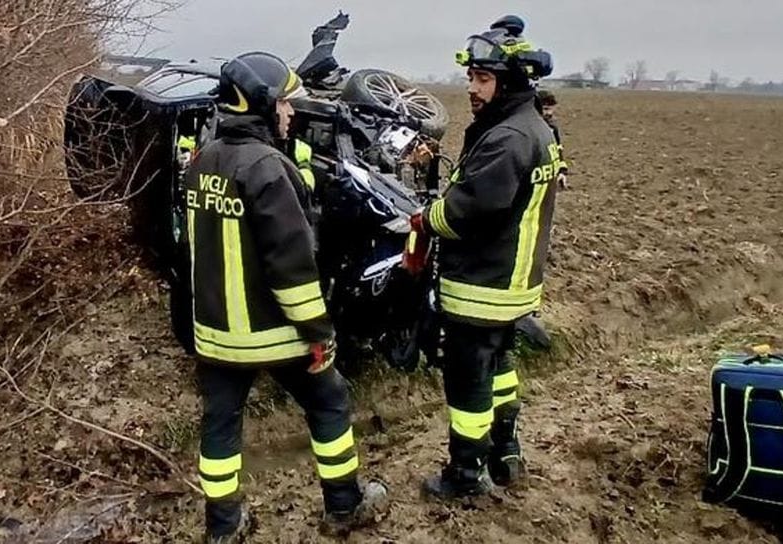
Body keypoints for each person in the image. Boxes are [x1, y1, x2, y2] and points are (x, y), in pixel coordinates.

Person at [174, 51, 387, 543]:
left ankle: (223, 529)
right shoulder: (270, 169)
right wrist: (319, 334)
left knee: (220, 428)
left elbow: (190, 251)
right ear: (266, 104)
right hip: (274, 333)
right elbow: (292, 267)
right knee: (330, 400)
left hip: (215, 336)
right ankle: (344, 506)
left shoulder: (201, 162)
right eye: (287, 103)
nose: (291, 113)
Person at [408, 14, 560, 500]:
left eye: (483, 78)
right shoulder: (535, 128)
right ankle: (506, 452)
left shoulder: (508, 138)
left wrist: (426, 219)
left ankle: (465, 476)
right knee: (500, 367)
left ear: (510, 81)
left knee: (468, 378)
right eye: (471, 76)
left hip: (481, 285)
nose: (472, 87)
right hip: (514, 283)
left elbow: (469, 210)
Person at [537, 89, 570, 189]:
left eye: (551, 109)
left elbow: (557, 150)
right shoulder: (527, 129)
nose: (550, 113)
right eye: (545, 109)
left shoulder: (552, 128)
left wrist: (562, 171)